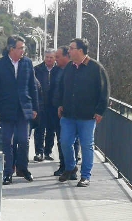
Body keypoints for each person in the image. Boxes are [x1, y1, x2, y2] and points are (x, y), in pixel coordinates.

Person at [57, 38, 110, 187]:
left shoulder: (96, 68)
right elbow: (62, 87)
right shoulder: (69, 67)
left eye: (71, 48)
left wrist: (100, 111)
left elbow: (104, 92)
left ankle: (85, 176)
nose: (69, 51)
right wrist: (60, 104)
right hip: (68, 114)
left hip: (87, 116)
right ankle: (70, 167)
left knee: (87, 145)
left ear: (80, 50)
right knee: (65, 142)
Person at [0, 35, 38, 185]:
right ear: (11, 49)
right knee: (7, 142)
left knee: (24, 140)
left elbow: (32, 86)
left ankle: (23, 168)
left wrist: (35, 107)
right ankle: (8, 172)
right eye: (20, 47)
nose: (23, 50)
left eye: (23, 48)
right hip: (6, 109)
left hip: (23, 109)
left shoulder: (28, 63)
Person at [53, 46, 80, 178]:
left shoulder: (73, 70)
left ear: (66, 57)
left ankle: (72, 169)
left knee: (73, 141)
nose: (55, 59)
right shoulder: (55, 71)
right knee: (61, 140)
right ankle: (64, 166)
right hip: (58, 110)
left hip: (71, 112)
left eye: (58, 57)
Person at [33, 48, 59, 161]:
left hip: (53, 106)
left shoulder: (59, 70)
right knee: (39, 130)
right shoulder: (37, 70)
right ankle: (39, 152)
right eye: (47, 57)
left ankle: (48, 151)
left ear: (55, 58)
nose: (49, 59)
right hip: (40, 104)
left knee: (51, 130)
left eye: (51, 57)